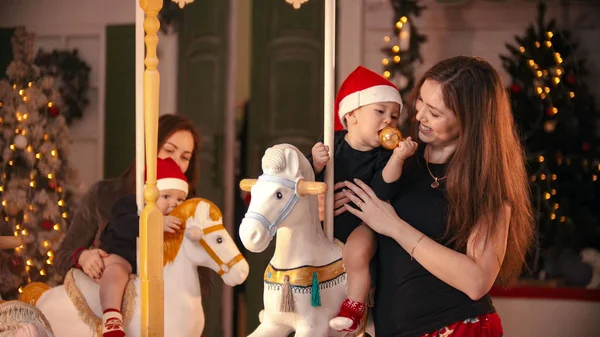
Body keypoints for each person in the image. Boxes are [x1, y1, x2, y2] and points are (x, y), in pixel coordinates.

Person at [340, 56, 534, 337]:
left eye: (435, 112)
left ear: (471, 121)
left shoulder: (487, 186)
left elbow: (477, 281)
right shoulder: (397, 157)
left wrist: (394, 227)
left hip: (456, 327)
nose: (419, 116)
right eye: (420, 101)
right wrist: (321, 205)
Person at [309, 66, 418, 333]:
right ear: (351, 115)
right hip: (329, 224)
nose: (388, 122)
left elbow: (384, 188)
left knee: (357, 253)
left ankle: (355, 308)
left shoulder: (383, 155)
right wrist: (316, 162)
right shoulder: (331, 143)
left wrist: (398, 159)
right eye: (379, 111)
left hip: (364, 223)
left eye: (394, 116)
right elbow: (309, 181)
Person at [54, 115, 210, 291]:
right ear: (149, 149)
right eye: (169, 150)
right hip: (107, 310)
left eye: (185, 157)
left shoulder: (190, 208)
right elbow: (61, 257)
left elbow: (203, 281)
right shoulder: (104, 194)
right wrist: (83, 258)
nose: (174, 161)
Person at [98, 157, 188, 337]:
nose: (174, 203)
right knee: (117, 272)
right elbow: (122, 224)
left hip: (153, 266)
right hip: (122, 254)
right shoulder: (131, 204)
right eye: (166, 196)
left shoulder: (176, 222)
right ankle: (111, 317)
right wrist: (155, 223)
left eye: (180, 199)